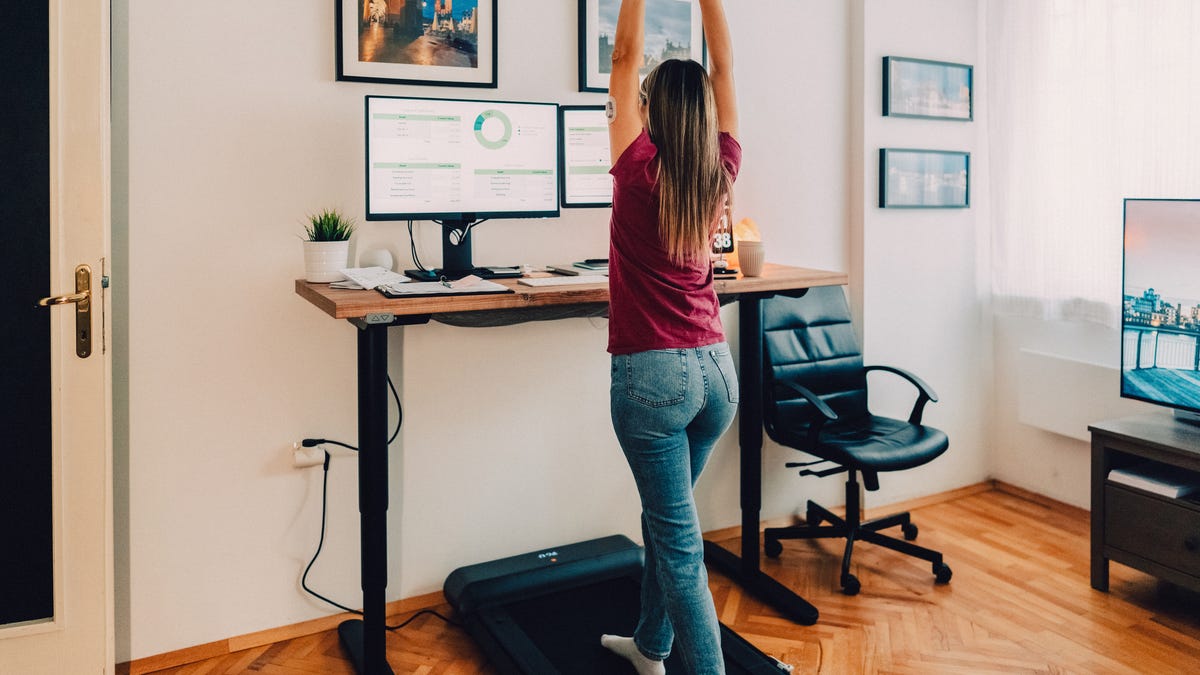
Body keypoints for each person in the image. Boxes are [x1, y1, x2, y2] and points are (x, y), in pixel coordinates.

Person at [600, 1, 739, 673]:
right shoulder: (722, 168)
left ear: (649, 111)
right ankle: (651, 647)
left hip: (653, 381)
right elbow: (726, 65)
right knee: (669, 521)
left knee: (680, 547)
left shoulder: (635, 170)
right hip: (717, 374)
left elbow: (624, 59)